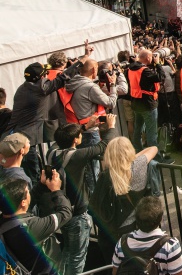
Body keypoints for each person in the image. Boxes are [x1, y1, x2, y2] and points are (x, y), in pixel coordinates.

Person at [48, 114, 118, 275]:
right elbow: (104, 145)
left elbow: (61, 141)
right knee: (77, 257)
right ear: (76, 140)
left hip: (60, 210)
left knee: (67, 251)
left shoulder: (52, 153)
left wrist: (85, 127)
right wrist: (112, 126)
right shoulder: (77, 156)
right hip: (76, 214)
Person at [92, 135, 158, 260]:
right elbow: (153, 148)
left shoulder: (105, 175)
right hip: (129, 231)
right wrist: (133, 158)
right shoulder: (137, 166)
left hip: (107, 231)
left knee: (113, 266)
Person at [0, 172, 73, 275]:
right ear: (23, 202)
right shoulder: (30, 227)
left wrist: (41, 185)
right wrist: (56, 190)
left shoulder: (5, 220)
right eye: (27, 191)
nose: (29, 192)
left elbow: (23, 206)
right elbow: (65, 213)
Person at [112, 196, 182, 275]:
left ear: (136, 219)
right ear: (160, 219)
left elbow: (115, 272)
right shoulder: (170, 246)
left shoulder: (122, 242)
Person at [126, 49, 163, 152]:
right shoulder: (145, 71)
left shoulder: (130, 69)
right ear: (148, 58)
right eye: (152, 56)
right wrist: (158, 64)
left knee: (138, 129)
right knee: (152, 132)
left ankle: (137, 150)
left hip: (136, 103)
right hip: (148, 104)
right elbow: (160, 77)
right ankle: (155, 156)